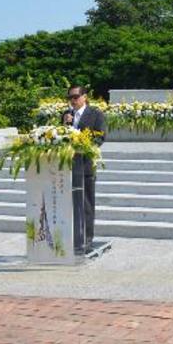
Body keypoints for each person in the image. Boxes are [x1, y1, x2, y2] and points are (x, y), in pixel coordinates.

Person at [62, 85, 106, 252]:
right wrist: (66, 125)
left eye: (75, 97)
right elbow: (60, 138)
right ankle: (72, 236)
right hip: (67, 166)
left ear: (84, 97)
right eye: (70, 98)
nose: (72, 101)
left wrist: (81, 141)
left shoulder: (95, 114)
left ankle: (87, 238)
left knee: (87, 203)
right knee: (70, 203)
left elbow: (100, 137)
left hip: (85, 165)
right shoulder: (66, 115)